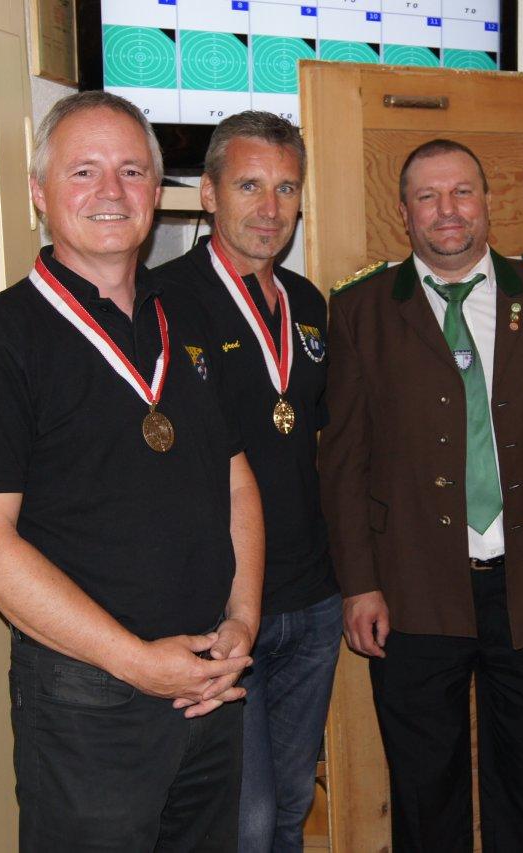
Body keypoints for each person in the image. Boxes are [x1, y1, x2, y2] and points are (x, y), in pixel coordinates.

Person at [0, 91, 264, 852]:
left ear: (156, 192)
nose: (111, 191)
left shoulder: (185, 320)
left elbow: (236, 482)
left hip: (209, 681)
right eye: (83, 171)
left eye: (131, 171)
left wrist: (242, 621)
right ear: (39, 192)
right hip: (89, 701)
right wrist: (137, 664)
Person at [319, 138, 523, 851]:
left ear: (488, 201)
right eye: (428, 196)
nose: (448, 209)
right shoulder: (361, 308)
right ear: (403, 212)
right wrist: (359, 584)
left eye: (462, 191)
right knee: (423, 792)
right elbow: (343, 463)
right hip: (410, 588)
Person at [151, 111, 340, 852]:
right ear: (208, 194)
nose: (270, 208)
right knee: (245, 821)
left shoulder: (309, 303)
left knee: (292, 805)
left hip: (314, 601)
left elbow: (320, 441)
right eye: (249, 186)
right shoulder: (159, 302)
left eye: (286, 188)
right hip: (223, 611)